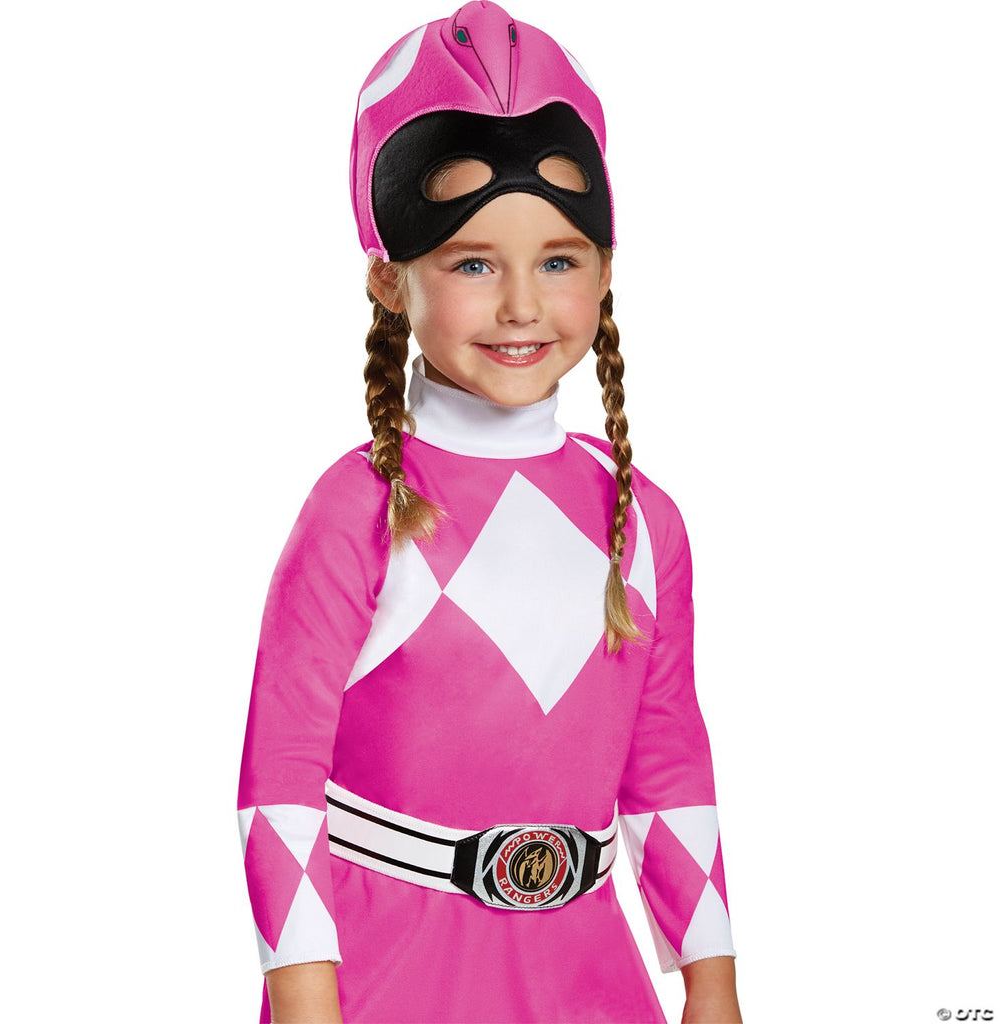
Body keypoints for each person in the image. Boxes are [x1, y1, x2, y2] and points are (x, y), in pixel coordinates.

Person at [237, 3, 742, 1021]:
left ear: (604, 270)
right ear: (391, 280)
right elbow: (278, 778)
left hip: (591, 981)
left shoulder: (642, 518)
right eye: (472, 262)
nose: (520, 304)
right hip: (387, 979)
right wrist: (301, 998)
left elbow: (667, 764)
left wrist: (712, 983)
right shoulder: (361, 509)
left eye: (558, 260)